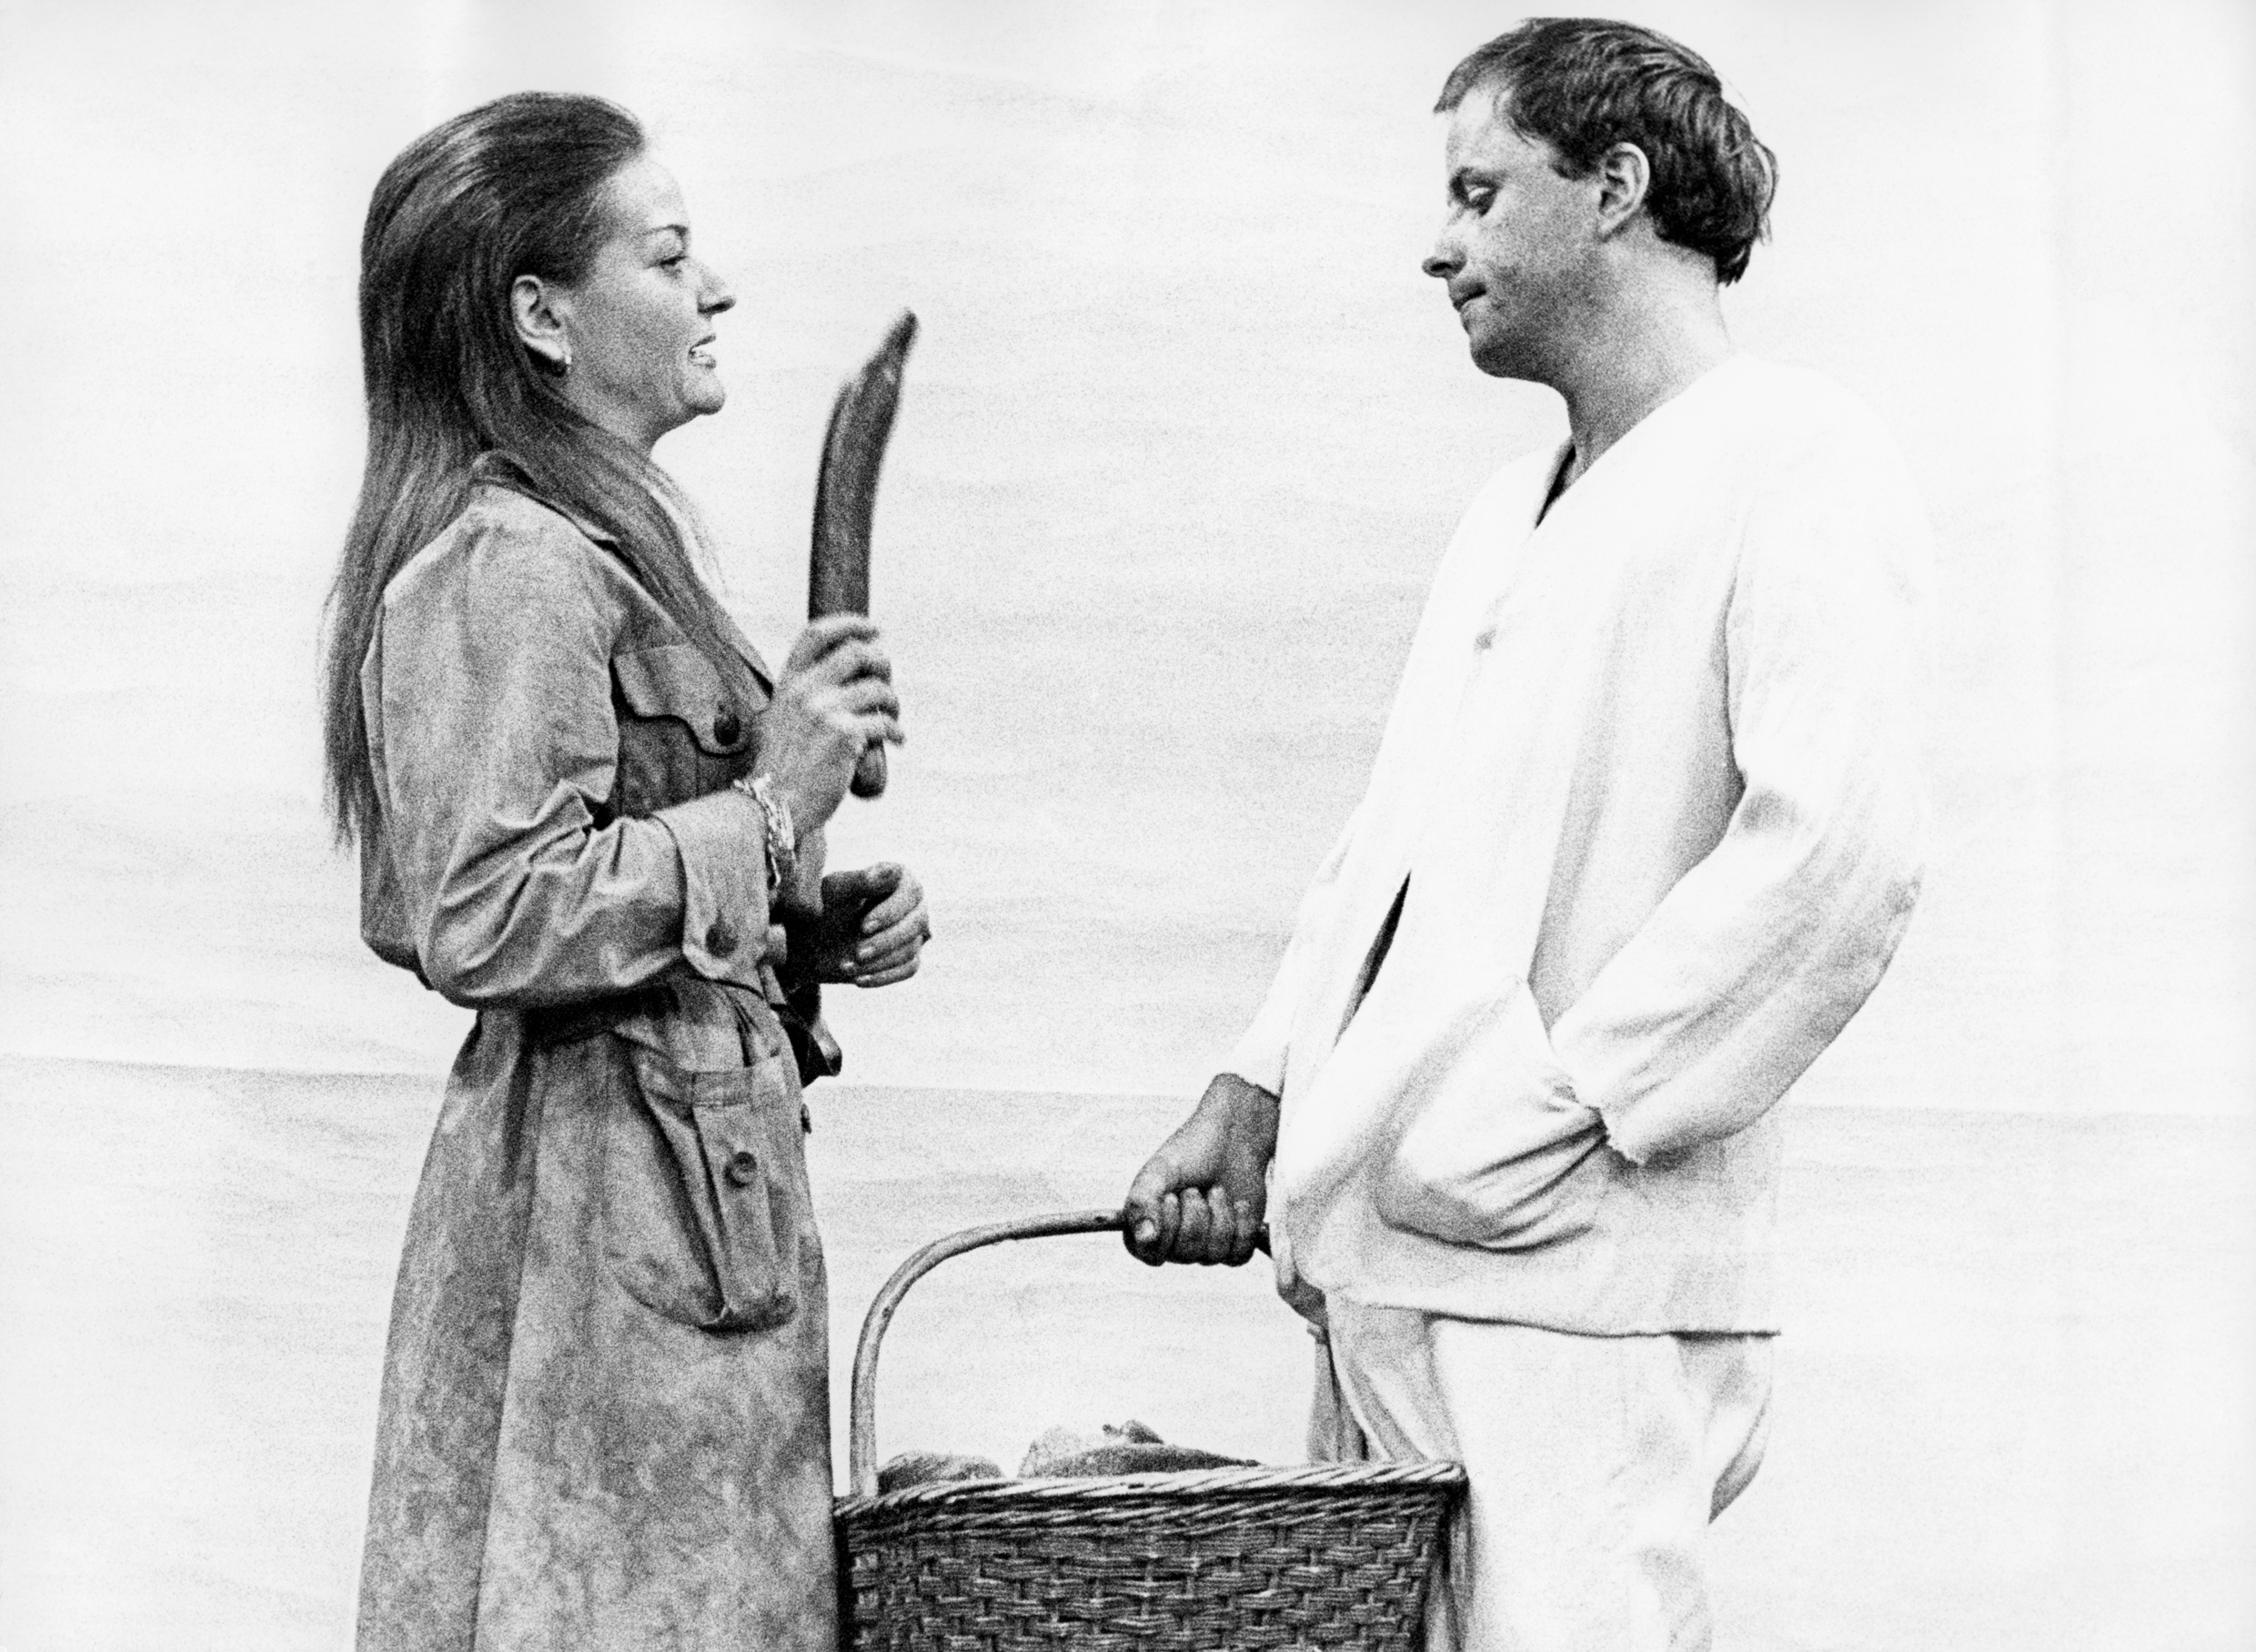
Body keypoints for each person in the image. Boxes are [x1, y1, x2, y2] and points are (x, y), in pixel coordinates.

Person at [1123, 19, 1929, 1651]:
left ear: (1616, 188)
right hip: (1393, 1274)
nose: (1441, 245)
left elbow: (1839, 856)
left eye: (1479, 193)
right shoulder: (1512, 508)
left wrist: (1557, 1115)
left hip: (1580, 1295)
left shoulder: (1797, 456)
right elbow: (1399, 842)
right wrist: (1262, 1087)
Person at [320, 92, 931, 1650]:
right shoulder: (510, 562)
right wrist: (768, 816)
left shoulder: (601, 552)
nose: (713, 289)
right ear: (542, 317)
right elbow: (484, 913)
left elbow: (602, 876)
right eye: (666, 257)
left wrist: (793, 925)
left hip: (674, 1207)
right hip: (598, 1225)